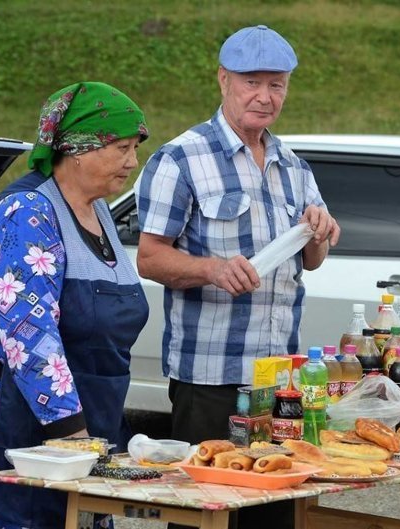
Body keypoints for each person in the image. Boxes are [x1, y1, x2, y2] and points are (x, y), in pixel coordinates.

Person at [0, 82, 150, 529]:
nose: (132, 161)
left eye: (134, 148)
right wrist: (74, 438)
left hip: (85, 419)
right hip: (14, 416)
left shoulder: (99, 211)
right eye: (121, 147)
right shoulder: (27, 211)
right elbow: (29, 336)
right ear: (78, 149)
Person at [135, 25, 339, 528]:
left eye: (277, 85)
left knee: (276, 512)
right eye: (252, 82)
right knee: (206, 514)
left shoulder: (294, 166)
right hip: (209, 378)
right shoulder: (180, 157)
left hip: (280, 378)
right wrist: (212, 268)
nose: (265, 97)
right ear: (224, 80)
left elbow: (310, 262)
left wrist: (320, 234)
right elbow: (149, 258)